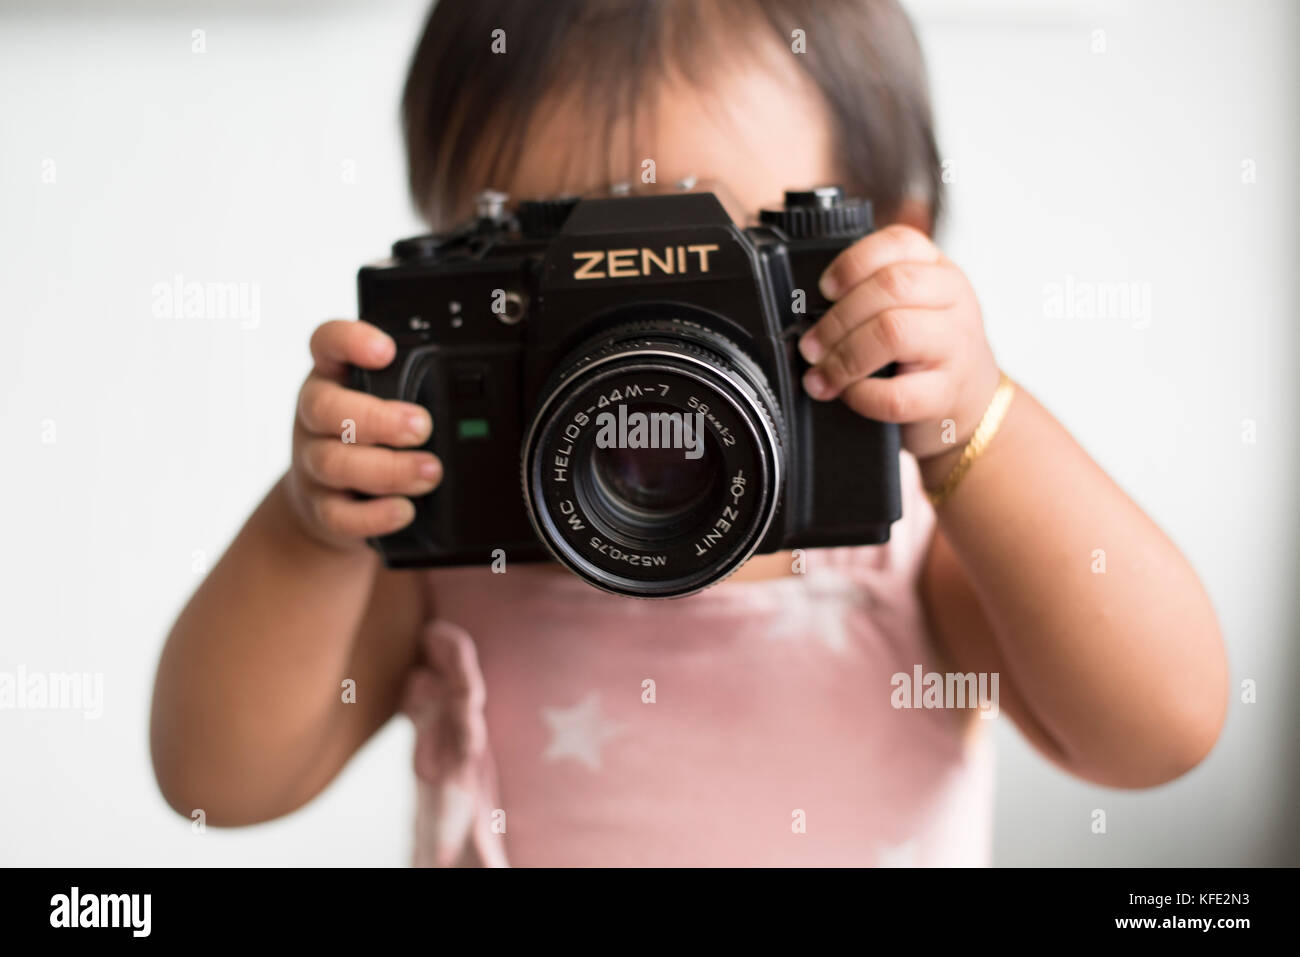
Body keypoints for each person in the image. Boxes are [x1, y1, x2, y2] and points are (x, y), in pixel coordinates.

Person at [150, 0, 1227, 866]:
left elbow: (1157, 730)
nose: (630, 358)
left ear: (889, 254)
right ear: (458, 263)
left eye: (719, 261)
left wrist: (970, 428)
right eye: (546, 268)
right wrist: (313, 529)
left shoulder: (906, 545)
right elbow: (216, 784)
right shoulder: (455, 535)